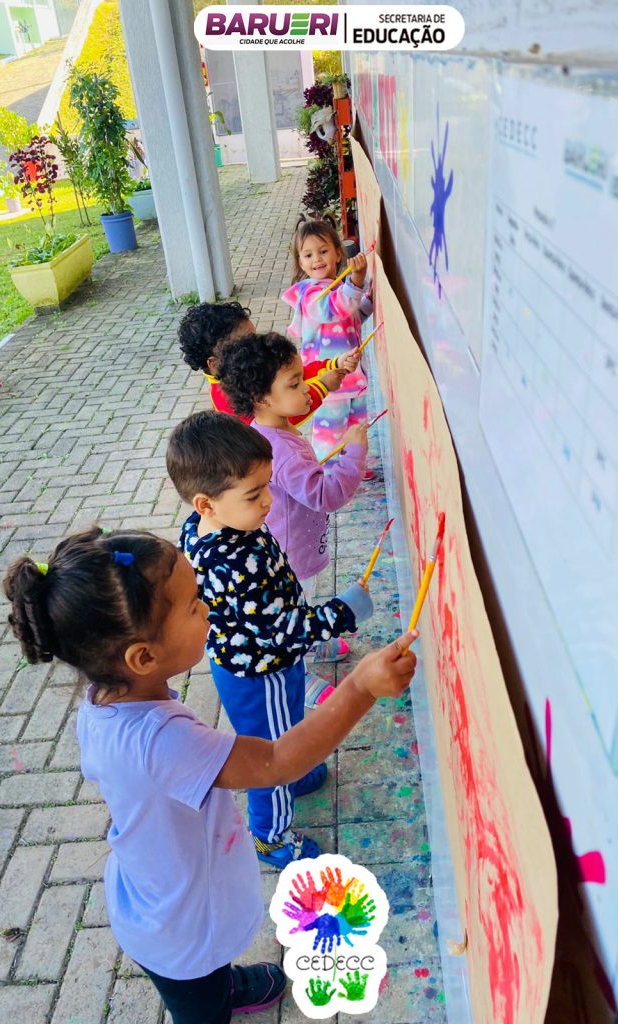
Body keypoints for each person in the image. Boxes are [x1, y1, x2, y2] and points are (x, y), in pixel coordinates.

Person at [3, 526, 417, 1024]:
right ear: (143, 656)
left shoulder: (103, 702)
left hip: (153, 893)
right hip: (178, 928)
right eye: (195, 605)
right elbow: (277, 761)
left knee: (205, 979)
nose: (210, 609)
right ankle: (213, 1002)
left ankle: (222, 985)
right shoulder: (163, 741)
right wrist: (362, 687)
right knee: (200, 1008)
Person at [166, 411, 374, 866]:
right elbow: (283, 632)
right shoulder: (236, 562)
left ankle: (293, 771)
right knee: (271, 755)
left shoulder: (206, 528)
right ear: (206, 503)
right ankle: (271, 835)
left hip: (247, 662)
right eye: (254, 494)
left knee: (283, 729)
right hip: (264, 671)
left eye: (266, 487)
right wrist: (341, 613)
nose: (267, 502)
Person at [217, 331, 368, 699]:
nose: (306, 389)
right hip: (291, 556)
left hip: (291, 547)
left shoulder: (274, 428)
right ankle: (298, 673)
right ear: (261, 398)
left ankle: (311, 642)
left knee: (301, 606)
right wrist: (353, 454)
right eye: (295, 383)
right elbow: (325, 495)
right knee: (291, 615)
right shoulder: (280, 450)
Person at [282, 215, 374, 470]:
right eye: (308, 255)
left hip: (353, 378)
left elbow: (352, 318)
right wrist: (356, 281)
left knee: (357, 429)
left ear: (338, 253)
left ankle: (354, 468)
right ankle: (330, 475)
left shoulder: (337, 288)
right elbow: (334, 309)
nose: (317, 259)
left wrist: (369, 299)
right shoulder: (310, 294)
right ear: (300, 262)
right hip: (327, 381)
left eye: (323, 251)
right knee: (330, 438)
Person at [177, 300, 359, 427]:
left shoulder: (247, 367)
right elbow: (279, 416)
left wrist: (333, 364)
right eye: (246, 342)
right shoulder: (226, 398)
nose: (257, 343)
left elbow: (292, 375)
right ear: (214, 364)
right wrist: (323, 386)